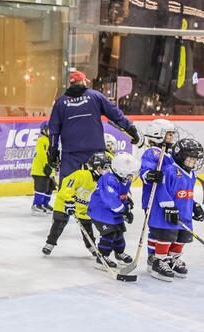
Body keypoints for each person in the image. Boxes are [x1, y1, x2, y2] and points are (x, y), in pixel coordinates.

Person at [48, 70, 140, 182]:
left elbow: (54, 131)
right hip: (95, 150)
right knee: (97, 186)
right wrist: (131, 129)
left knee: (67, 185)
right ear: (83, 81)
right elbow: (115, 114)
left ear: (71, 83)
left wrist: (53, 151)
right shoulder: (95, 96)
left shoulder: (60, 103)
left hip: (71, 152)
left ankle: (68, 200)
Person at [147, 138, 204, 281]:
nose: (193, 162)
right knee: (166, 236)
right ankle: (159, 260)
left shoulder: (191, 174)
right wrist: (169, 207)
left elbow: (186, 194)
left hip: (184, 213)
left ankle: (173, 259)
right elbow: (162, 190)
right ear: (180, 156)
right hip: (166, 214)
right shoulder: (170, 171)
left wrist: (194, 206)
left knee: (183, 237)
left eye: (195, 160)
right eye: (190, 159)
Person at [41, 152, 111, 256]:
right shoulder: (81, 174)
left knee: (87, 226)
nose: (107, 170)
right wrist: (69, 200)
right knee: (59, 222)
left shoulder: (103, 181)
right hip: (64, 202)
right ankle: (50, 243)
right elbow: (67, 186)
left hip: (83, 208)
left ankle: (91, 246)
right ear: (97, 167)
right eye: (105, 167)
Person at [87, 152, 139, 270]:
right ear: (120, 170)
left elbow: (122, 195)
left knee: (119, 232)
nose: (131, 176)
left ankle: (119, 253)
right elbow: (111, 200)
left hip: (113, 211)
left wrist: (127, 203)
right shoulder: (108, 179)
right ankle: (102, 257)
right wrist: (124, 211)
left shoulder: (125, 178)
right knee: (109, 233)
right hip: (100, 211)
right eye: (129, 173)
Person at [138, 119, 177, 270]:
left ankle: (157, 256)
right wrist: (149, 175)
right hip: (152, 198)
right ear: (158, 134)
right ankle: (153, 257)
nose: (171, 137)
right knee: (156, 229)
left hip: (163, 198)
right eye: (169, 134)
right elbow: (144, 169)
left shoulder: (167, 153)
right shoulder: (152, 152)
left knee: (160, 228)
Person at [30, 121, 54, 214]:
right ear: (44, 130)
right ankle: (36, 204)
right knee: (41, 188)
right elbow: (42, 154)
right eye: (49, 130)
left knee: (49, 188)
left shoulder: (51, 141)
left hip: (48, 170)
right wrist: (46, 166)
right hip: (40, 170)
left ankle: (45, 203)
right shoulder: (42, 140)